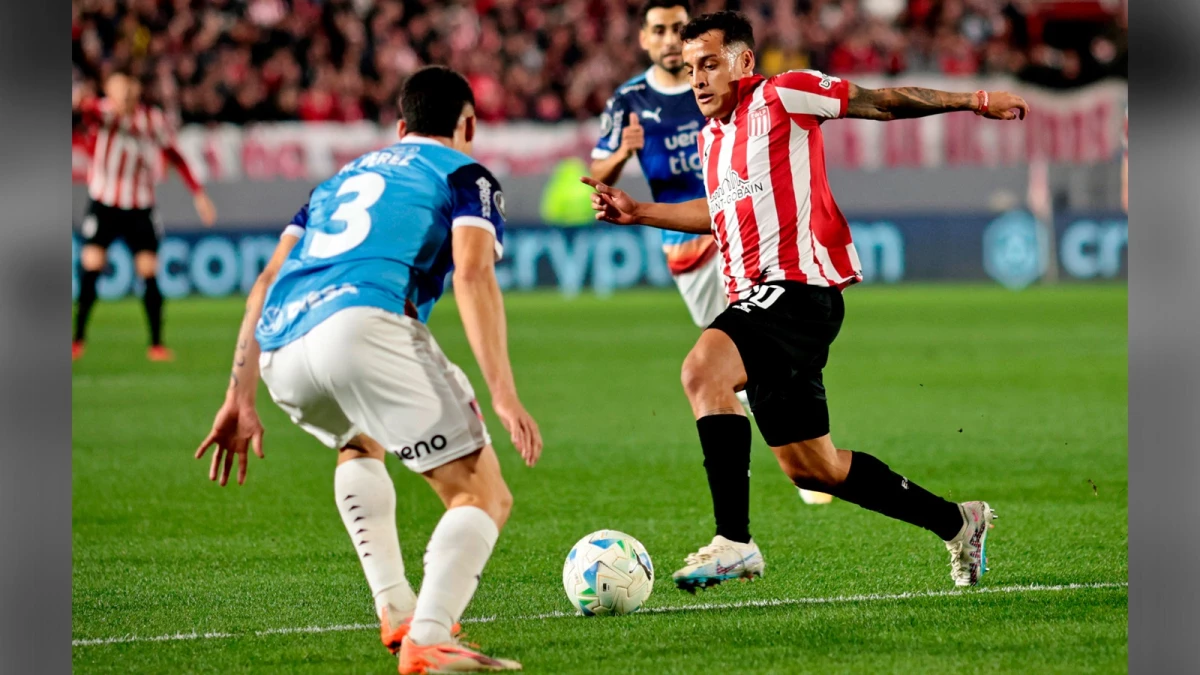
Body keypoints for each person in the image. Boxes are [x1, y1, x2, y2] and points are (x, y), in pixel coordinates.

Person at [582, 10, 1030, 592]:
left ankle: (734, 541)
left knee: (702, 370)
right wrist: (639, 211)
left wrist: (974, 100)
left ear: (743, 61)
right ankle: (958, 522)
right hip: (760, 298)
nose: (698, 80)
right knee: (814, 467)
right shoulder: (712, 138)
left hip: (799, 291)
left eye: (710, 64)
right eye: (691, 69)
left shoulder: (784, 94)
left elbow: (879, 101)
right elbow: (719, 213)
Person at [194, 65, 540, 674]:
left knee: (359, 441)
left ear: (401, 127)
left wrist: (238, 396)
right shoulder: (466, 174)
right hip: (360, 326)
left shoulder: (337, 181)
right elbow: (472, 272)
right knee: (481, 494)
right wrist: (504, 394)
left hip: (281, 350)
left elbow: (267, 281)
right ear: (469, 124)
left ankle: (397, 608)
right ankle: (428, 639)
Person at [590, 1, 833, 507]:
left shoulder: (715, 89)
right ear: (644, 39)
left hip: (741, 228)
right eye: (659, 30)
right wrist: (623, 153)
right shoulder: (630, 99)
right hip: (686, 237)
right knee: (730, 361)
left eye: (677, 28)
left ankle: (772, 488)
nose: (669, 38)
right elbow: (597, 173)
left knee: (729, 353)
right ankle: (798, 454)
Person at [72, 69, 218, 362]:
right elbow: (85, 110)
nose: (124, 96)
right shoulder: (103, 112)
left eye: (128, 89)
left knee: (149, 270)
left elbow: (174, 155)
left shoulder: (152, 120)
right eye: (118, 90)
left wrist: (198, 193)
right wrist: (82, 99)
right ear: (109, 92)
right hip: (105, 202)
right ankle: (77, 339)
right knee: (92, 265)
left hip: (140, 205)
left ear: (136, 90)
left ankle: (156, 344)